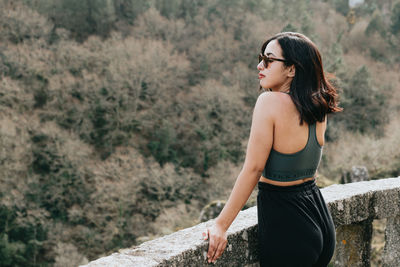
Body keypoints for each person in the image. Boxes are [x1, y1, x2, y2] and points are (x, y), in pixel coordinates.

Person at [202, 32, 342, 266]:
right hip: (319, 219)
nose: (260, 65)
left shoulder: (269, 102)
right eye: (261, 58)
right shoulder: (316, 105)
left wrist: (220, 225)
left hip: (289, 227)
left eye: (269, 59)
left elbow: (254, 168)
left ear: (292, 69)